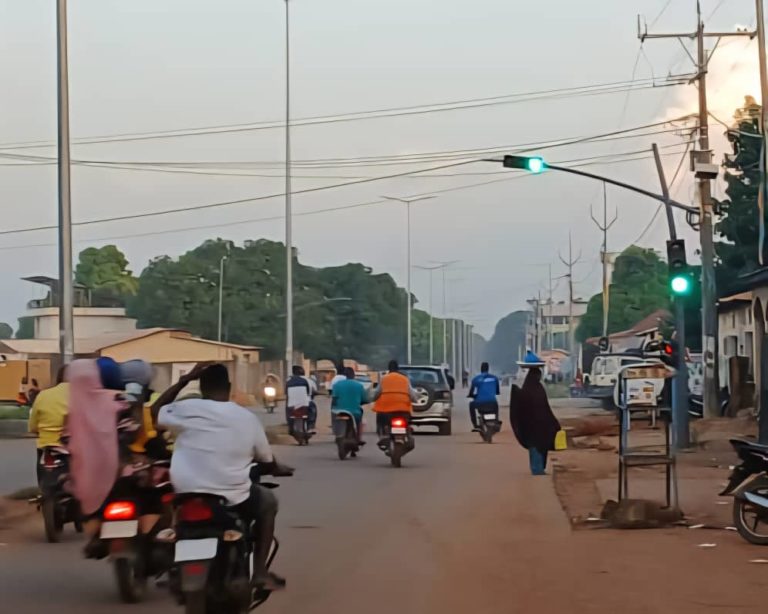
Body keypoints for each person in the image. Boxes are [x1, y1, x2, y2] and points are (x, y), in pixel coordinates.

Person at [155, 363, 289, 591]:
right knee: (268, 502)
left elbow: (155, 411)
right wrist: (277, 468)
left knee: (172, 517)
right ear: (229, 387)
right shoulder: (246, 417)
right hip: (232, 497)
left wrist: (184, 380)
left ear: (201, 386)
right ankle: (259, 572)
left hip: (186, 492)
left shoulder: (184, 409)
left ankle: (172, 567)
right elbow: (266, 460)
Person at [509, 367, 561, 476]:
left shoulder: (527, 388)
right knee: (538, 445)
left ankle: (538, 467)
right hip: (537, 424)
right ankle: (537, 468)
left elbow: (544, 406)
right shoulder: (536, 389)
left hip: (532, 424)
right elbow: (544, 407)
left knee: (537, 445)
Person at [29, 367, 69, 483]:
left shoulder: (43, 395)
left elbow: (33, 427)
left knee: (44, 483)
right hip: (76, 447)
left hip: (47, 446)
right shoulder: (84, 395)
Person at [371, 360, 418, 446]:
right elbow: (412, 394)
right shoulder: (405, 379)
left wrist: (373, 398)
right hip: (403, 410)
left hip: (385, 410)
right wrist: (415, 400)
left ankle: (383, 435)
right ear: (398, 369)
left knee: (381, 422)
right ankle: (407, 434)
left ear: (388, 369)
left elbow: (377, 392)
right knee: (407, 422)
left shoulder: (384, 379)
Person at [331, 367, 369, 443]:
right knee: (360, 421)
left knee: (336, 420)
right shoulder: (359, 385)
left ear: (345, 375)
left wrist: (334, 408)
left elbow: (334, 399)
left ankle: (337, 434)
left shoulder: (337, 385)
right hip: (355, 412)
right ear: (353, 375)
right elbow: (364, 399)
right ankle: (359, 438)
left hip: (340, 411)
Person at [468, 362, 501, 432]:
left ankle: (475, 425)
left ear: (481, 369)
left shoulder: (476, 379)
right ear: (488, 369)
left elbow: (471, 392)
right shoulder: (494, 378)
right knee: (496, 405)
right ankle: (496, 421)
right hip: (492, 402)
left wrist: (472, 396)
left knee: (471, 405)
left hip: (479, 403)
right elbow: (497, 392)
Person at [285, 365, 316, 433]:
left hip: (292, 404)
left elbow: (286, 393)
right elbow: (309, 392)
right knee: (312, 409)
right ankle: (310, 427)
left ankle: (290, 426)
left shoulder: (288, 381)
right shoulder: (307, 380)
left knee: (288, 410)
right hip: (305, 404)